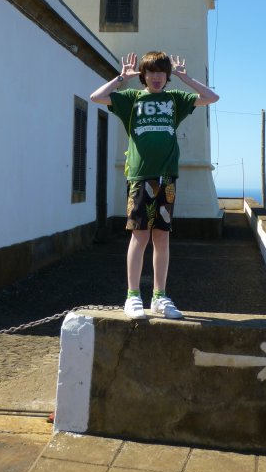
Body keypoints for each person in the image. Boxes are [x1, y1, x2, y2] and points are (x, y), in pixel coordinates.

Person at [90, 51, 219, 320]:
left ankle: (159, 297)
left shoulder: (175, 99)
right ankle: (133, 296)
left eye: (162, 72)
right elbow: (96, 97)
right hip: (139, 177)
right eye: (151, 72)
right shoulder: (131, 99)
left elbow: (211, 98)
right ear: (144, 75)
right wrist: (120, 79)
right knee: (139, 236)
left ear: (167, 76)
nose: (157, 77)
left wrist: (186, 78)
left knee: (162, 236)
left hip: (167, 177)